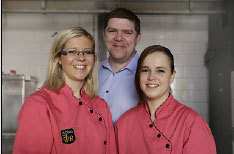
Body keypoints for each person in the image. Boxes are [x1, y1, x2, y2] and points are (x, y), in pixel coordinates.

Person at [13, 27, 117, 154]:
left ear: (93, 58)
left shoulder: (101, 106)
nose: (81, 58)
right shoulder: (39, 104)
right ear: (58, 59)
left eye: (87, 52)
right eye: (73, 51)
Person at [115, 45, 216, 154]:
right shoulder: (124, 122)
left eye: (160, 71)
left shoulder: (192, 123)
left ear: (172, 76)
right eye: (145, 70)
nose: (151, 77)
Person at [98, 8, 141, 125]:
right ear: (104, 35)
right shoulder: (90, 71)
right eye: (112, 31)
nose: (118, 38)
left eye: (127, 32)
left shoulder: (148, 75)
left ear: (137, 38)